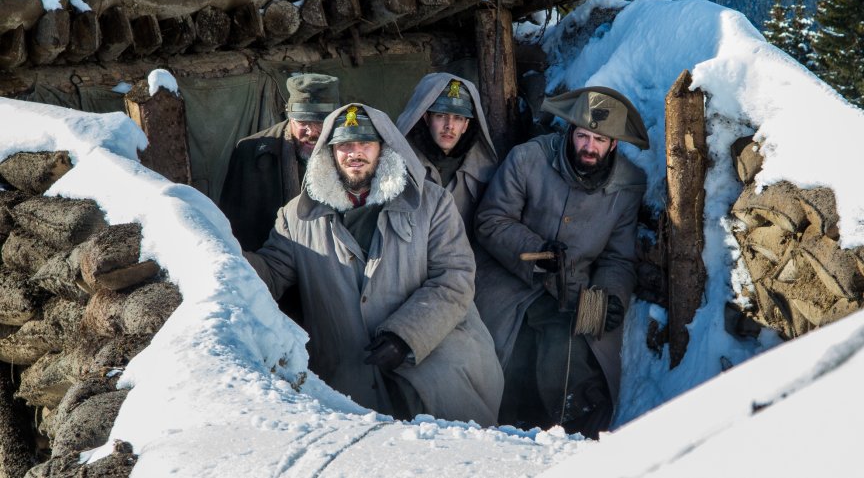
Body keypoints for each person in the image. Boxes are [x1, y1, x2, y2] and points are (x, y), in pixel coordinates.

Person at [245, 104, 504, 426]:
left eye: (365, 144)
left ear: (384, 149)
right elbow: (269, 273)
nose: (355, 153)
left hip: (434, 361)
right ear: (330, 152)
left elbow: (454, 279)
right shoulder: (296, 216)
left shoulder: (432, 203)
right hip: (347, 374)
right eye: (345, 146)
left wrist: (405, 335)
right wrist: (225, 257)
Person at [473, 86, 649, 439]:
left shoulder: (628, 185)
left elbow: (618, 258)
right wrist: (538, 252)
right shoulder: (528, 159)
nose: (588, 146)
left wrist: (611, 298)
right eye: (582, 135)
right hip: (511, 278)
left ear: (613, 144)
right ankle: (512, 429)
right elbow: (490, 221)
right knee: (525, 343)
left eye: (599, 139)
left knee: (573, 344)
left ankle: (578, 434)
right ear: (570, 132)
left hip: (575, 287)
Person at [220, 73, 340, 251]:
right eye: (303, 122)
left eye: (321, 122)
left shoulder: (350, 154)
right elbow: (233, 225)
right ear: (290, 116)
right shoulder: (250, 153)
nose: (312, 131)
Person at [395, 73, 497, 235]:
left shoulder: (483, 172)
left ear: (465, 125)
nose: (449, 126)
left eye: (458, 118)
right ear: (426, 118)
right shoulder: (398, 168)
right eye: (441, 116)